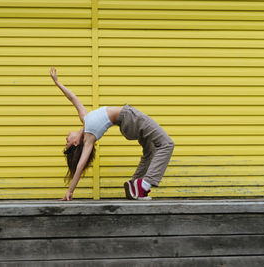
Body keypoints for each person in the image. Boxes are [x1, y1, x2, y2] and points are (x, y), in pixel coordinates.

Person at [50, 67, 175, 201]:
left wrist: (57, 82)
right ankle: (143, 185)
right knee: (167, 144)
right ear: (76, 142)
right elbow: (80, 166)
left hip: (127, 124)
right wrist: (70, 191)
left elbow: (73, 98)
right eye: (67, 142)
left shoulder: (85, 119)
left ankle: (135, 186)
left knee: (150, 151)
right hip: (129, 117)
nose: (66, 138)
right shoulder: (89, 137)